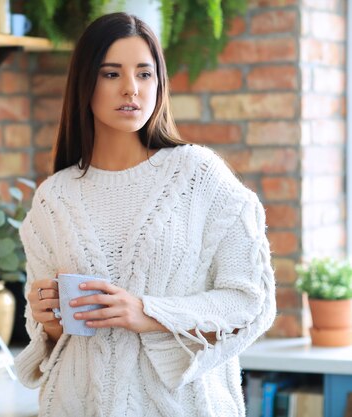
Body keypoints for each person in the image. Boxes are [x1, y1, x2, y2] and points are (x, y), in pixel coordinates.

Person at [14, 12, 276, 417]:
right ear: (86, 82)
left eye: (144, 73)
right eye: (111, 74)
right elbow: (49, 338)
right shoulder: (54, 197)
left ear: (159, 84)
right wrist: (48, 319)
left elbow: (250, 301)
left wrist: (148, 312)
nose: (131, 89)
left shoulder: (199, 175)